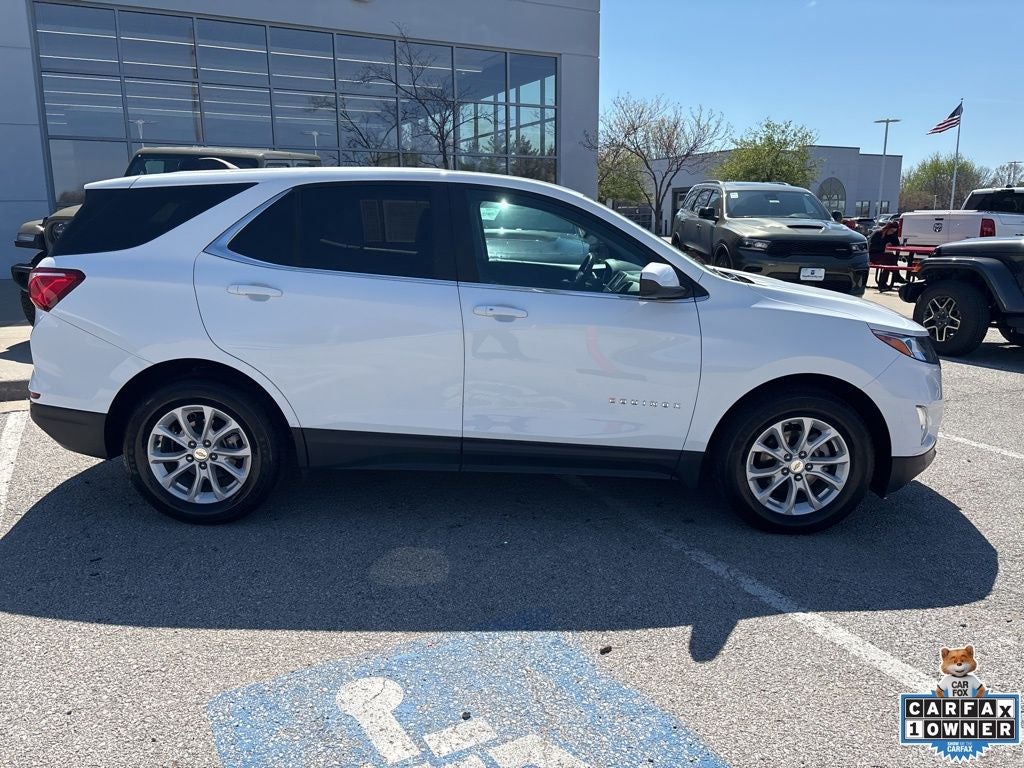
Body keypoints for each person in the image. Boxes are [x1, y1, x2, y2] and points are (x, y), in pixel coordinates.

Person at [869, 220, 903, 291]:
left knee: (891, 259)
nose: (892, 233)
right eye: (891, 231)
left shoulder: (891, 235)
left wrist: (894, 235)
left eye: (894, 231)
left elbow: (896, 244)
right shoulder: (877, 234)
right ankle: (894, 277)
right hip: (873, 255)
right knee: (890, 260)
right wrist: (884, 246)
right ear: (887, 229)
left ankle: (885, 282)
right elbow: (871, 247)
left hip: (882, 255)